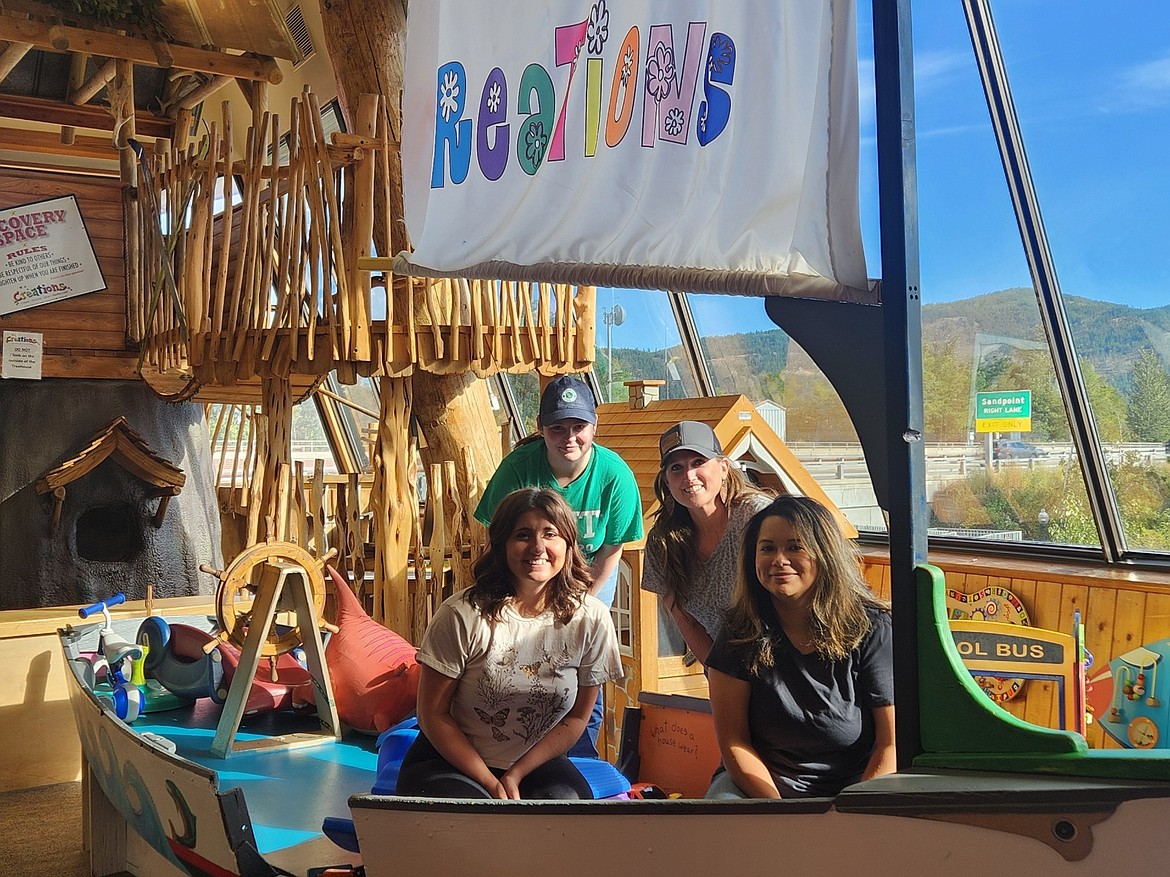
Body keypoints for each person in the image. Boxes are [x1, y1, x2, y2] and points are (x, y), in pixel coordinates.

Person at [396, 488, 624, 800]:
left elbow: (577, 719)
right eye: (523, 535)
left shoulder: (591, 618)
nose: (538, 547)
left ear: (568, 545)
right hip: (448, 759)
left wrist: (516, 774)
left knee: (567, 810)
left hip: (537, 763)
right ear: (501, 545)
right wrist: (491, 784)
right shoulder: (461, 615)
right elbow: (432, 715)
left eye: (550, 534)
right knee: (475, 820)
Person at [475, 374, 642, 756]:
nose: (569, 437)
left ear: (593, 427)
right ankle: (510, 747)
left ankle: (580, 756)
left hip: (588, 578)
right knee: (524, 662)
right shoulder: (518, 468)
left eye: (579, 427)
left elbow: (611, 550)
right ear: (541, 429)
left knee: (583, 663)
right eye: (557, 428)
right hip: (526, 579)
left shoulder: (614, 475)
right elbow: (499, 538)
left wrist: (576, 605)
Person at [705, 495, 895, 799]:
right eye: (767, 548)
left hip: (855, 792)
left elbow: (891, 745)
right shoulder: (738, 632)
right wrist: (780, 812)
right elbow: (734, 743)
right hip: (759, 789)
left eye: (795, 547)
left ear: (824, 554)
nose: (779, 560)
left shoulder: (871, 628)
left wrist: (853, 812)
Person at [641, 421, 772, 666]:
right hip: (729, 668)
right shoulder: (663, 543)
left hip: (782, 660)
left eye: (698, 463)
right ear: (667, 482)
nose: (689, 476)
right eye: (677, 468)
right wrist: (717, 673)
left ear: (723, 468)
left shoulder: (756, 517)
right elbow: (683, 619)